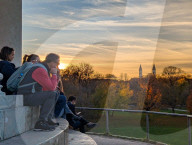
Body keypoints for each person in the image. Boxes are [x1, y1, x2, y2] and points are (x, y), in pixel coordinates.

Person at [17, 53, 60, 131]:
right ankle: (41, 122)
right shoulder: (40, 70)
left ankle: (48, 119)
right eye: (57, 63)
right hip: (24, 96)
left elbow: (49, 88)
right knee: (52, 94)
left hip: (30, 95)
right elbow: (51, 88)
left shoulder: (43, 68)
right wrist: (54, 74)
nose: (57, 65)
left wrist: (57, 77)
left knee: (56, 93)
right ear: (51, 62)